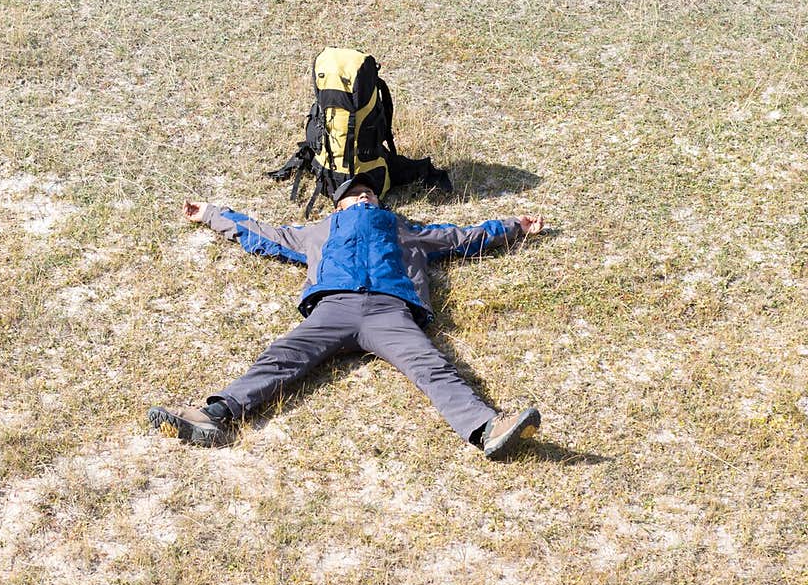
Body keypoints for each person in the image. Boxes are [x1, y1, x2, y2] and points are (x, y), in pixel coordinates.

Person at [148, 178, 545, 459]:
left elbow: (461, 237)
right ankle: (213, 416)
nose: (363, 198)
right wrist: (211, 214)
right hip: (333, 308)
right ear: (338, 207)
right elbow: (261, 233)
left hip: (391, 311)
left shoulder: (403, 229)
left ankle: (486, 428)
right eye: (353, 195)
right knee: (281, 356)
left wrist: (514, 227)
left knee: (433, 365)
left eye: (368, 193)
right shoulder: (318, 232)